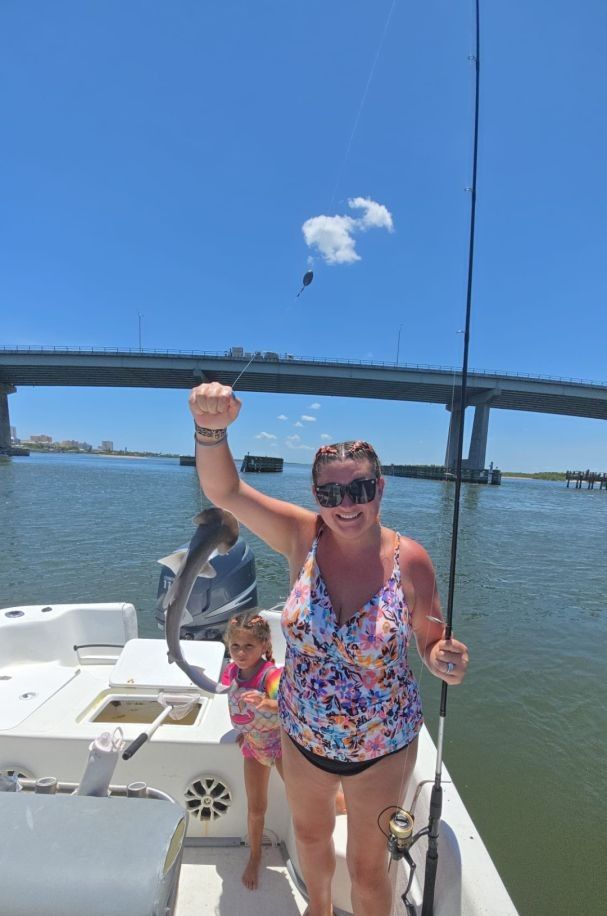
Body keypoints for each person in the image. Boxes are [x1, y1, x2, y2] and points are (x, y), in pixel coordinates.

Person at [190, 382, 470, 916]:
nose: (347, 505)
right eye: (331, 493)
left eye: (360, 490)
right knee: (313, 844)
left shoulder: (411, 561)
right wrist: (212, 428)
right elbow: (225, 491)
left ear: (380, 489)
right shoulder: (301, 537)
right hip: (302, 736)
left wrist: (445, 660)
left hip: (381, 747)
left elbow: (433, 640)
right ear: (316, 495)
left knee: (368, 871)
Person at [220, 611, 283, 890]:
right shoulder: (231, 672)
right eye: (235, 646)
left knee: (306, 799)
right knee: (256, 808)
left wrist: (266, 703)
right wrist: (243, 732)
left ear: (264, 646)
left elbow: (291, 708)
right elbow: (236, 703)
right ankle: (256, 856)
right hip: (254, 747)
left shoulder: (271, 676)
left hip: (282, 747)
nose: (241, 653)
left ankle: (342, 803)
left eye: (249, 647)